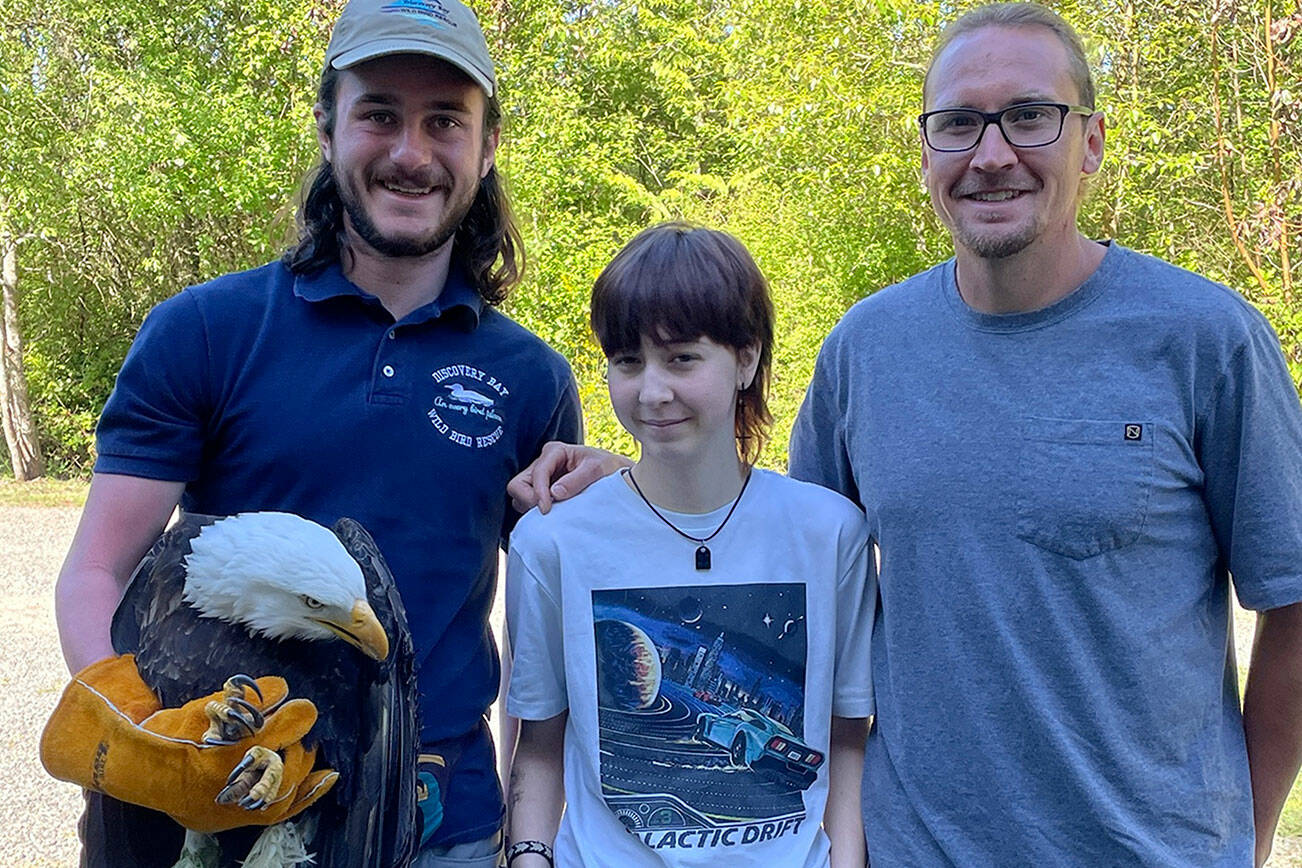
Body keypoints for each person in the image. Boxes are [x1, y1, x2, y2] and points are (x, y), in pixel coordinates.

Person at [508, 4, 1302, 865]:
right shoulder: (868, 349)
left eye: (1030, 116)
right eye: (957, 124)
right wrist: (636, 477)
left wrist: (1240, 839)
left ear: (1094, 142)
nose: (991, 153)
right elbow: (777, 541)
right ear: (927, 155)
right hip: (915, 849)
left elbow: (1293, 604)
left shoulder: (1207, 341)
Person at [53, 0, 581, 864]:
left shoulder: (532, 379)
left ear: (486, 150)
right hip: (213, 818)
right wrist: (135, 727)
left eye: (445, 120)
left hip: (440, 827)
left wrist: (630, 497)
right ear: (329, 127)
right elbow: (98, 569)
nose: (411, 153)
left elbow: (544, 643)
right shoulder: (206, 331)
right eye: (379, 113)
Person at [503, 223, 873, 868]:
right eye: (627, 361)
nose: (652, 391)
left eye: (682, 358)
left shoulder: (831, 532)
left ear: (747, 360)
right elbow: (538, 743)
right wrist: (529, 857)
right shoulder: (552, 539)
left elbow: (846, 739)